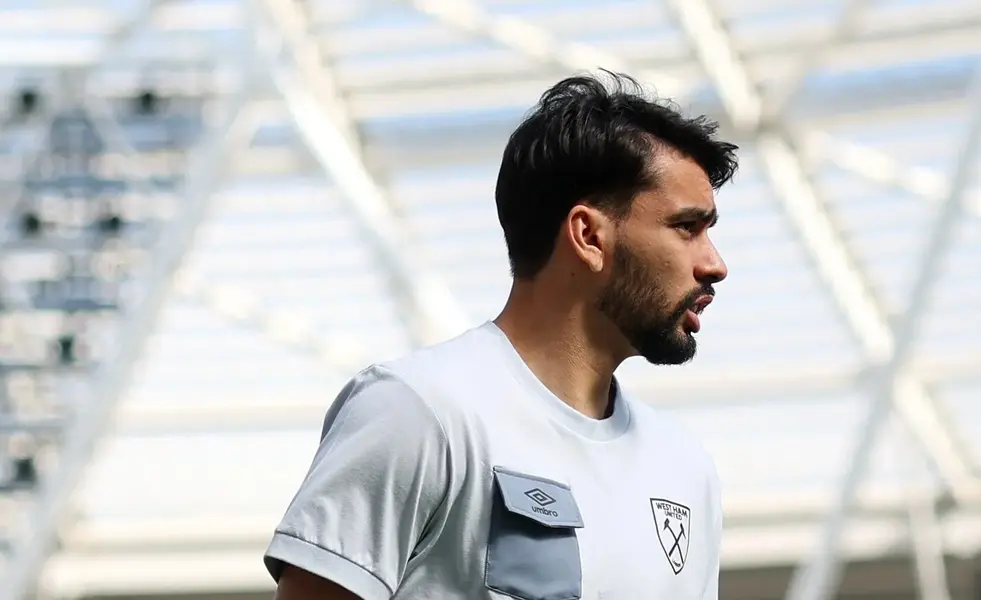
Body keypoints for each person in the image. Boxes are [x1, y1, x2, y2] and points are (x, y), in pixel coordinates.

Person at [264, 70, 739, 600]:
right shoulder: (420, 411)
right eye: (687, 228)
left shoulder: (684, 469)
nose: (714, 264)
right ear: (588, 236)